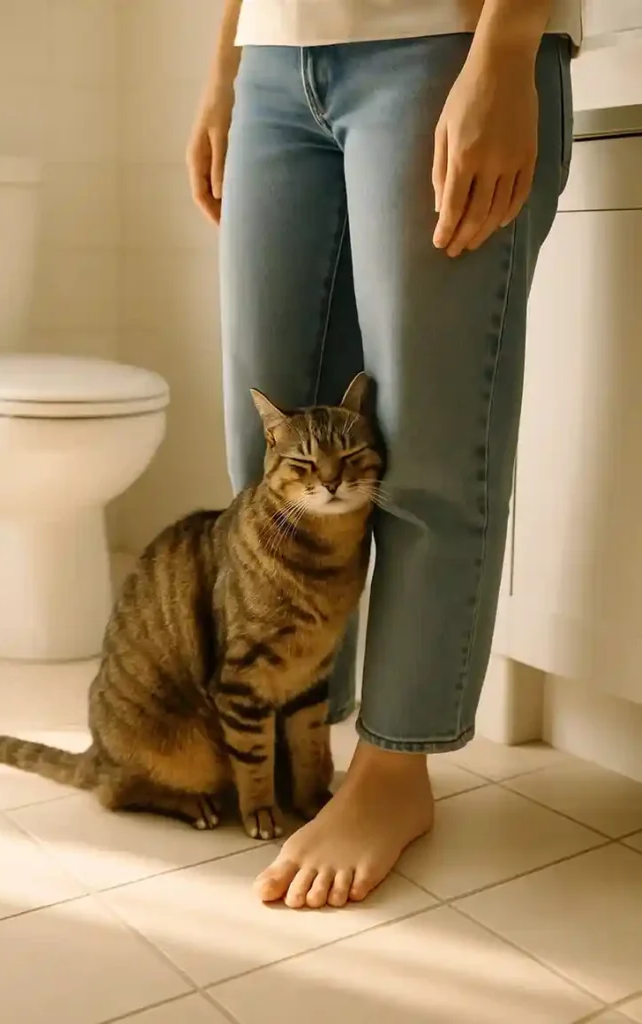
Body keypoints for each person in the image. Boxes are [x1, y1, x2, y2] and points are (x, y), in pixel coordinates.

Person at [187, 0, 580, 910]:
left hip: (440, 42)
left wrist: (506, 47)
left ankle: (393, 771)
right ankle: (299, 736)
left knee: (426, 449)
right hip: (276, 57)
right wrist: (223, 71)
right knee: (270, 457)